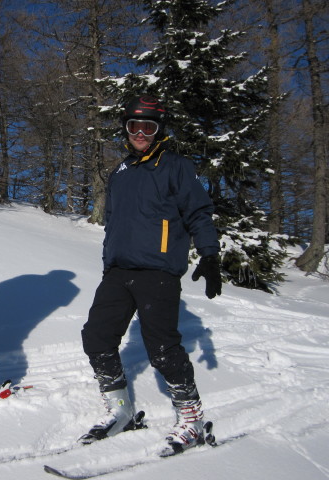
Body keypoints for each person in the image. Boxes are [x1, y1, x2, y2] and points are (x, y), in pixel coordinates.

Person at [79, 95, 222, 452]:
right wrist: (108, 258)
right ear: (125, 129)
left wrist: (209, 254)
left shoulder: (176, 166)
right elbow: (112, 222)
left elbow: (199, 212)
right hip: (118, 270)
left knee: (161, 348)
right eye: (133, 126)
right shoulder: (120, 172)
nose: (140, 133)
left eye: (148, 127)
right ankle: (121, 411)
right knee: (96, 337)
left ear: (159, 130)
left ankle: (191, 419)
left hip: (157, 271)